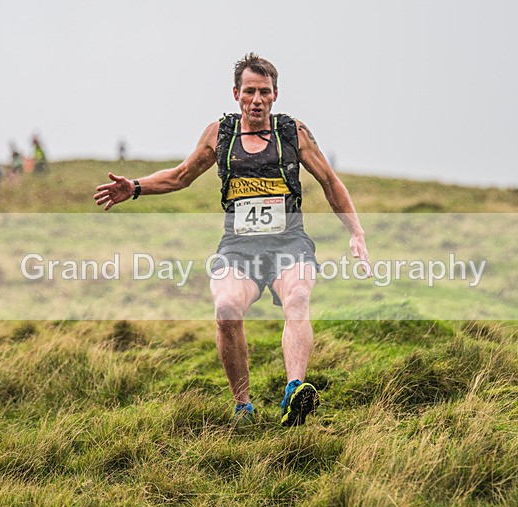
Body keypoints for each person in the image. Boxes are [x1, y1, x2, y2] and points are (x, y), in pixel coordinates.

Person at [95, 53, 371, 426]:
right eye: (250, 91)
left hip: (289, 242)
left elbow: (329, 182)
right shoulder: (220, 134)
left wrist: (356, 230)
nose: (257, 99)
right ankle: (243, 405)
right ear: (236, 93)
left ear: (275, 95)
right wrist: (137, 187)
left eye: (265, 92)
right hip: (239, 248)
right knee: (226, 310)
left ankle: (294, 392)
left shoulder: (293, 133)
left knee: (299, 297)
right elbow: (180, 176)